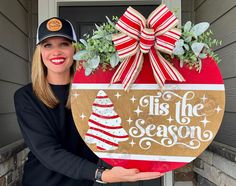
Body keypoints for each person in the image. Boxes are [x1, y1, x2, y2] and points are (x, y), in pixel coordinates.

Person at [14, 17, 164, 186]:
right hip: (42, 182)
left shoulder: (93, 91)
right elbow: (47, 151)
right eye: (48, 45)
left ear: (75, 50)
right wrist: (102, 175)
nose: (56, 52)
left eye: (64, 44)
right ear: (39, 52)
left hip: (83, 182)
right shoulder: (26, 96)